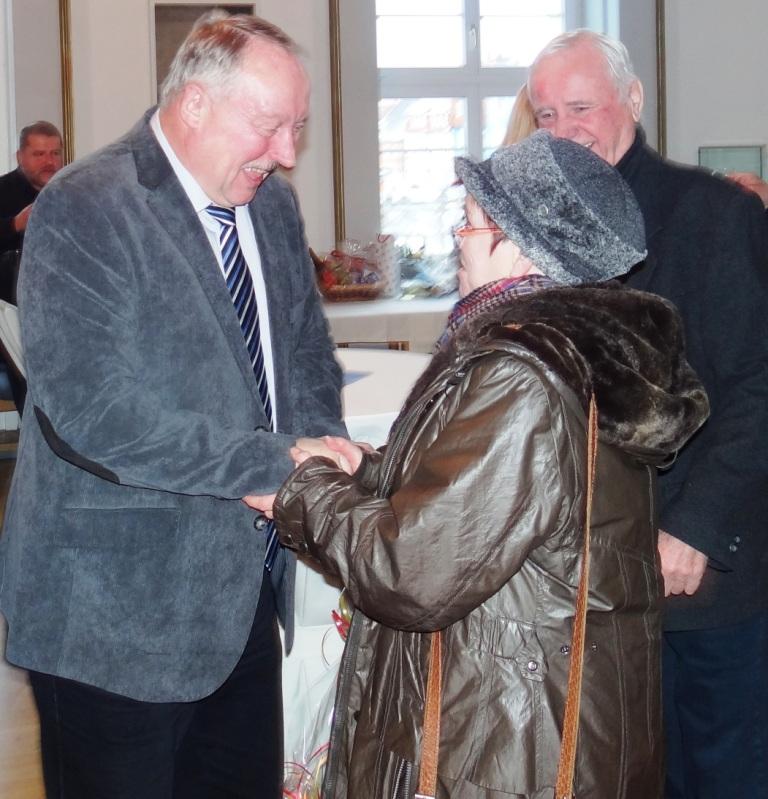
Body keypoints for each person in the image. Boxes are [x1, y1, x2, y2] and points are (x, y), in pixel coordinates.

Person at [249, 131, 709, 798]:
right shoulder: (571, 359)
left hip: (499, 750)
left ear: (520, 247)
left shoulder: (523, 376)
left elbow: (414, 570)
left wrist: (302, 489)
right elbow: (494, 510)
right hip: (530, 730)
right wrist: (366, 473)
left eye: (469, 223)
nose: (455, 239)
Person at [0, 12, 347, 799]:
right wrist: (273, 463)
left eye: (297, 127)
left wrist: (321, 440)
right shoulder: (87, 205)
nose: (287, 152)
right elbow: (92, 410)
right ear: (194, 104)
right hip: (112, 620)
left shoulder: (273, 207)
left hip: (241, 605)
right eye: (270, 126)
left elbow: (302, 352)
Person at [527, 29, 768, 798]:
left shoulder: (715, 213)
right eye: (545, 115)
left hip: (704, 578)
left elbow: (759, 382)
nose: (563, 131)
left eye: (581, 107)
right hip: (599, 586)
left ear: (632, 101)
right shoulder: (551, 230)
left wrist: (696, 526)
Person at [0, 119, 63, 260]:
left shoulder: (73, 193)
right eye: (39, 154)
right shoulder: (2, 190)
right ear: (19, 157)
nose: (49, 162)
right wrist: (15, 224)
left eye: (55, 153)